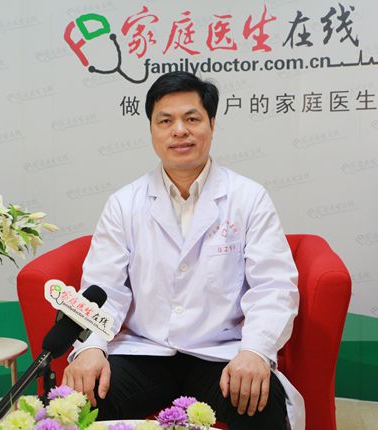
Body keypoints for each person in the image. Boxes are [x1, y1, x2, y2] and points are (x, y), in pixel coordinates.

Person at [62, 71, 304, 429]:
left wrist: (255, 351)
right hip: (145, 351)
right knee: (76, 403)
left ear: (212, 124)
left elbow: (273, 287)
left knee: (261, 403)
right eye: (165, 121)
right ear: (151, 130)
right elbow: (103, 288)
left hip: (221, 354)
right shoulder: (124, 203)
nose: (179, 130)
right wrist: (91, 347)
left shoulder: (249, 198)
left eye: (192, 119)